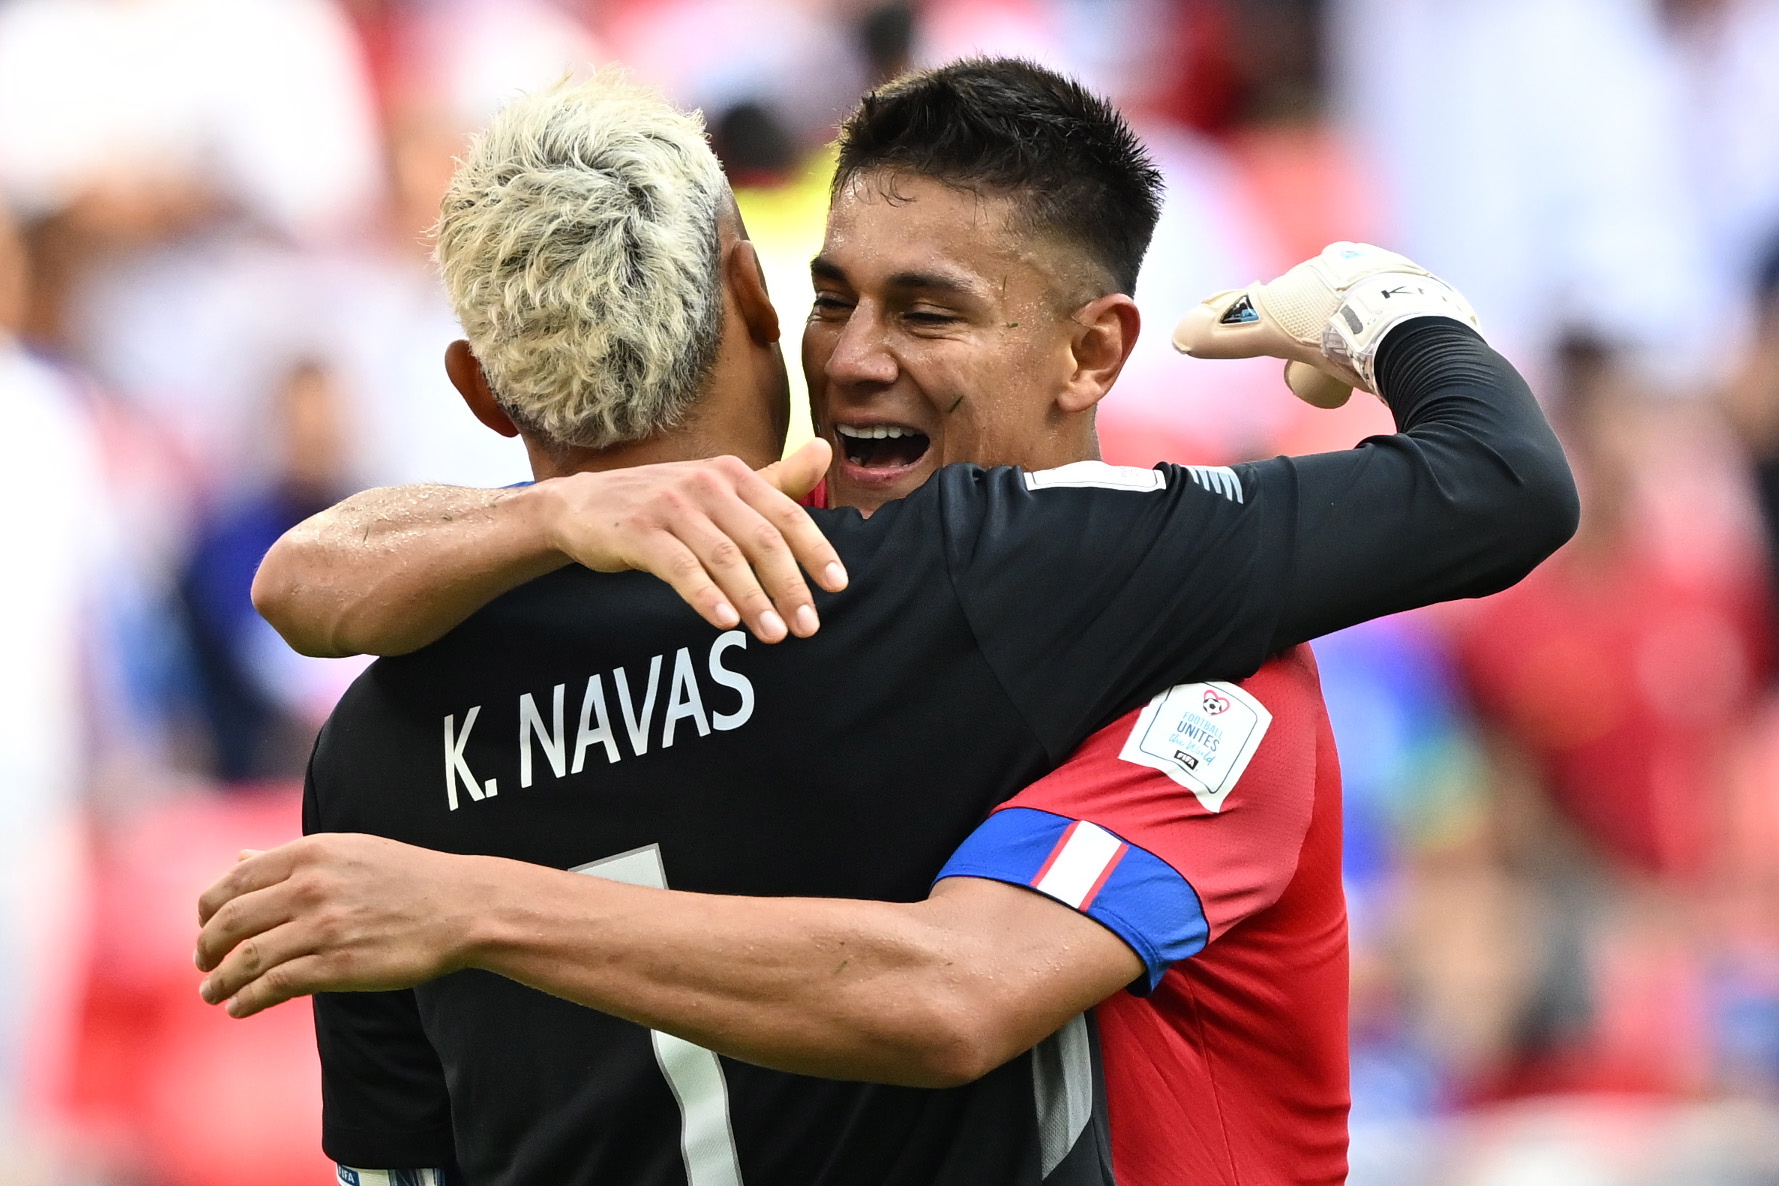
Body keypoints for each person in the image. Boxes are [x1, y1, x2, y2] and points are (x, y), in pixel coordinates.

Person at [196, 65, 1575, 1186]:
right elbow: (1496, 483)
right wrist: (1381, 306)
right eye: (834, 297)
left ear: (482, 391)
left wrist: (472, 892)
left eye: (926, 311)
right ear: (755, 291)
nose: (854, 356)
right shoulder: (929, 593)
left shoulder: (370, 758)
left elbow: (302, 582)